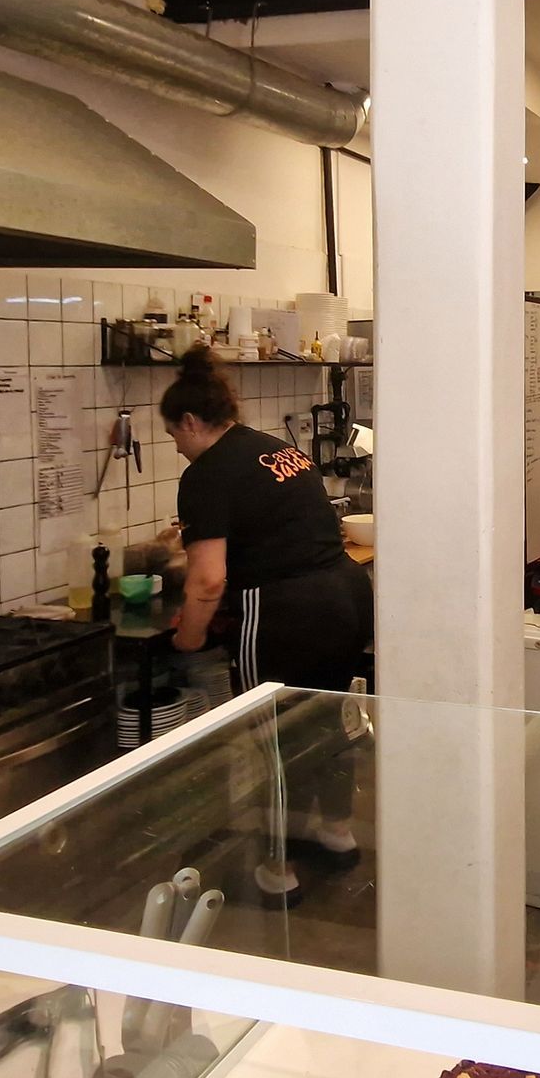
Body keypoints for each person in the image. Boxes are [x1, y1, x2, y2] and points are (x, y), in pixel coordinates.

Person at [163, 346, 373, 899]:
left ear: (191, 421)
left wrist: (188, 638)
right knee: (328, 722)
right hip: (346, 595)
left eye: (174, 435)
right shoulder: (276, 449)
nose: (176, 447)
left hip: (285, 612)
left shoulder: (206, 475)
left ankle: (278, 870)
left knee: (275, 740)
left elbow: (208, 581)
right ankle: (336, 834)